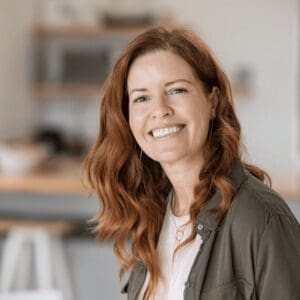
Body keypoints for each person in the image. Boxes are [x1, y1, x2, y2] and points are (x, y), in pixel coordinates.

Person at [84, 26, 300, 300]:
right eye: (141, 98)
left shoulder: (261, 219)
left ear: (213, 100)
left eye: (176, 90)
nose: (160, 110)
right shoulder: (151, 214)